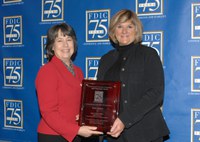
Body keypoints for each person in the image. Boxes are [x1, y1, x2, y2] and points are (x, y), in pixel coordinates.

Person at [96, 9, 170, 142]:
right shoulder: (105, 60)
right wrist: (90, 115)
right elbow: (101, 95)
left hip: (146, 133)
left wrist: (124, 119)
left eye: (129, 26)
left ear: (136, 30)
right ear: (114, 31)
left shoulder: (149, 55)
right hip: (115, 134)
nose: (124, 31)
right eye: (120, 26)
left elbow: (156, 93)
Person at [35, 23, 103, 142]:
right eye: (59, 40)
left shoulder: (78, 71)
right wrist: (77, 130)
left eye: (69, 39)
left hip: (76, 134)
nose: (65, 45)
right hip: (54, 136)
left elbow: (77, 105)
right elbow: (49, 113)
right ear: (52, 46)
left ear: (74, 44)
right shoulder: (47, 71)